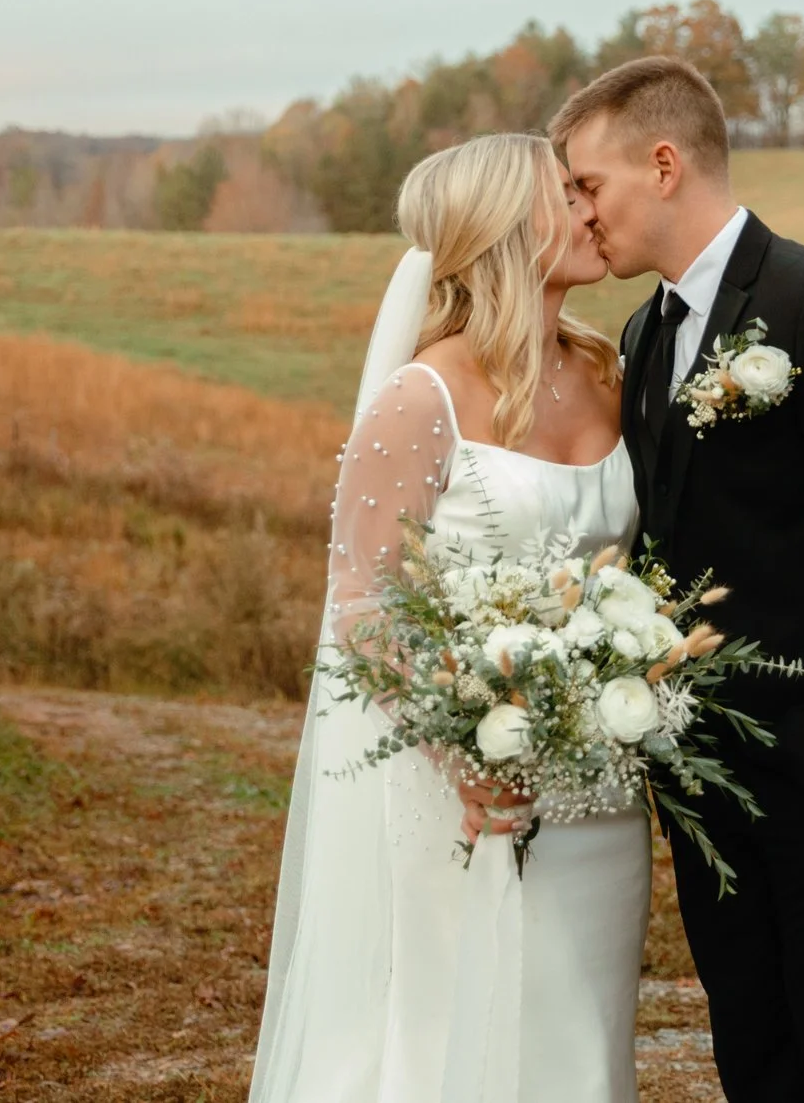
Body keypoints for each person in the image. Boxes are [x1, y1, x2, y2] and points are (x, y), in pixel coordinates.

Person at [552, 56, 804, 1103]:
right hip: (705, 771)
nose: (580, 212)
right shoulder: (645, 333)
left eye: (588, 184)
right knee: (753, 1047)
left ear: (664, 164)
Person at [247, 132, 650, 1103]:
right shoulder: (421, 395)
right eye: (565, 193)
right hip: (462, 787)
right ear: (505, 225)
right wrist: (463, 751)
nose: (589, 207)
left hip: (600, 788)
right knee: (462, 1034)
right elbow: (363, 602)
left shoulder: (607, 372)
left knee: (585, 1035)